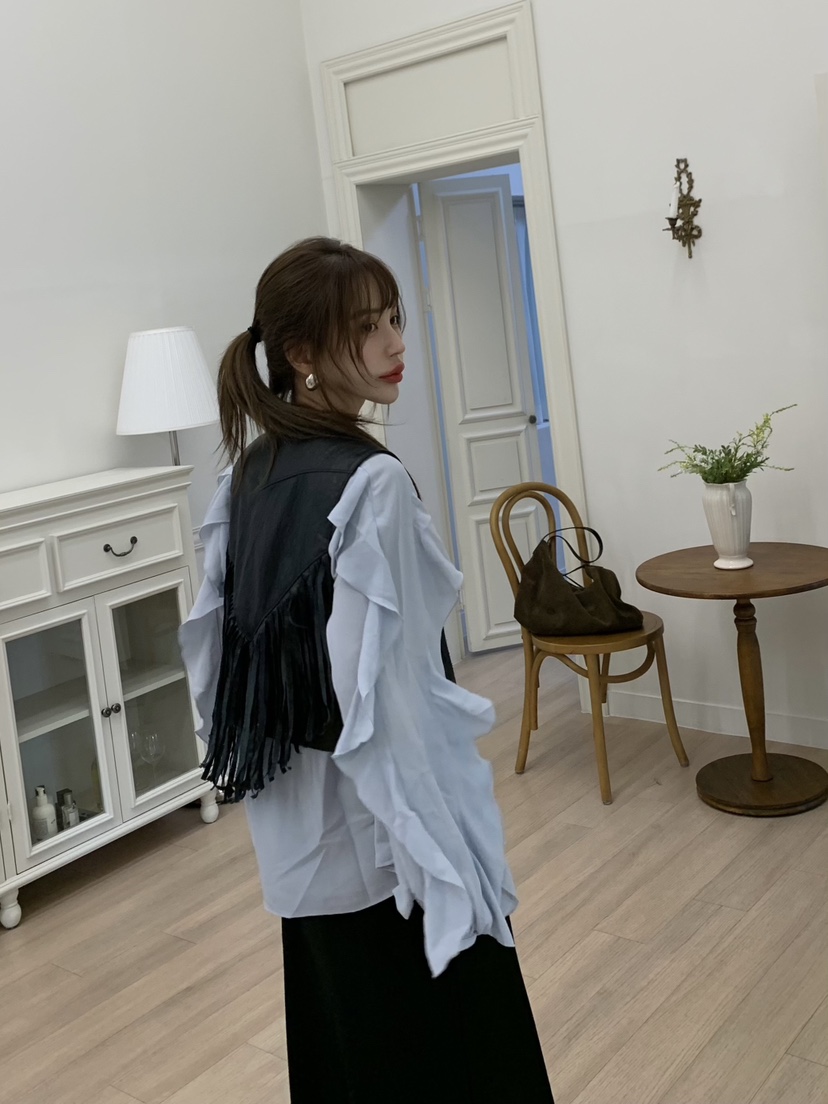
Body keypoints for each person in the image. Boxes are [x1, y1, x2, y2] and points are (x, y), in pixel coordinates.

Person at [179, 236, 554, 1103]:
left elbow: (214, 663)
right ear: (302, 352)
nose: (395, 344)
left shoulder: (246, 475)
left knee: (348, 1045)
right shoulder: (371, 482)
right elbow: (395, 697)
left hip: (300, 832)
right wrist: (452, 854)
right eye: (366, 328)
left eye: (393, 319)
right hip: (387, 839)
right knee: (451, 1052)